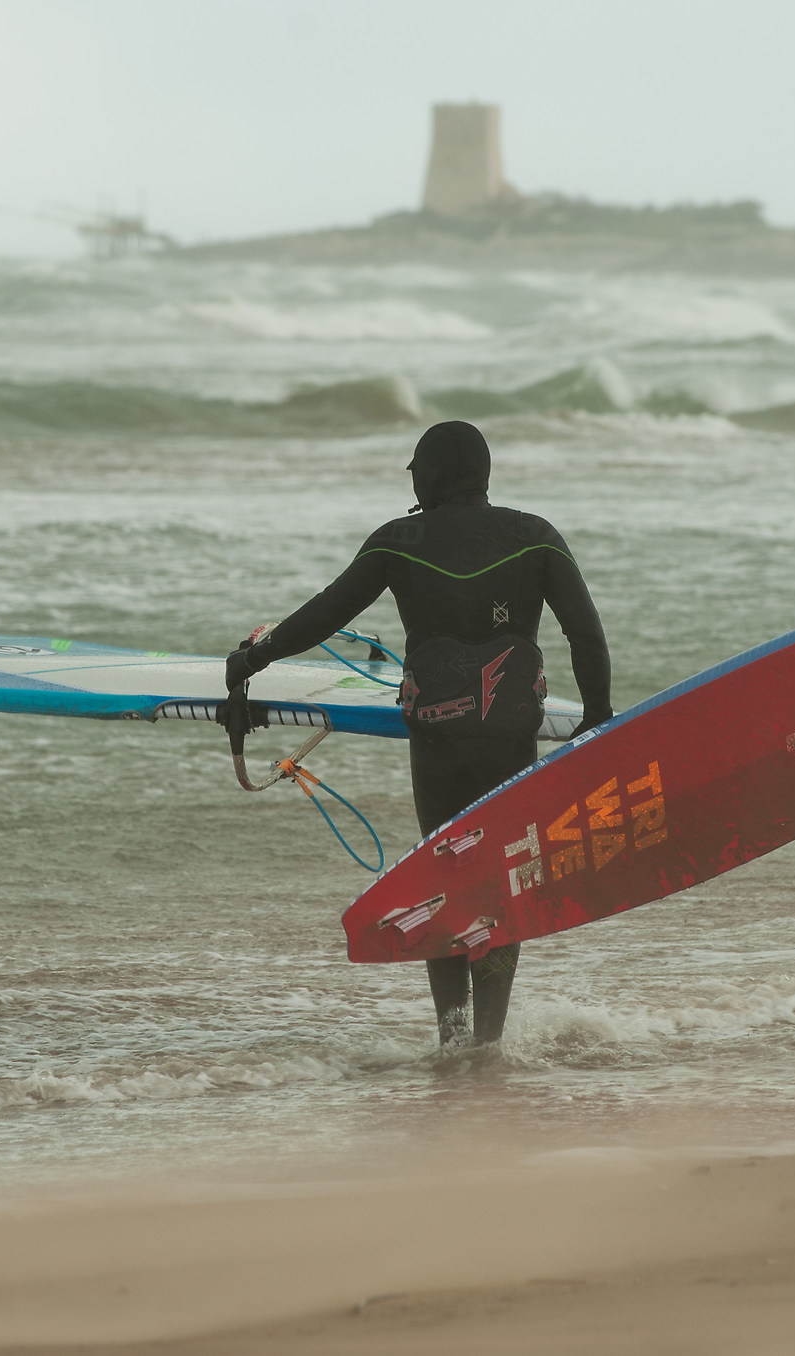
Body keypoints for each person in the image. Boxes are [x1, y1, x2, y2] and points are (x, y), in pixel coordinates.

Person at [223, 420, 611, 1048]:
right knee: (496, 885)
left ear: (428, 475)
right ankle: (487, 1042)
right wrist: (597, 718)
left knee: (446, 876)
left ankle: (452, 1038)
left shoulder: (400, 540)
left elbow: (325, 612)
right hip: (509, 736)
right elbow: (585, 634)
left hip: (439, 738)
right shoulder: (534, 536)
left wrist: (253, 658)